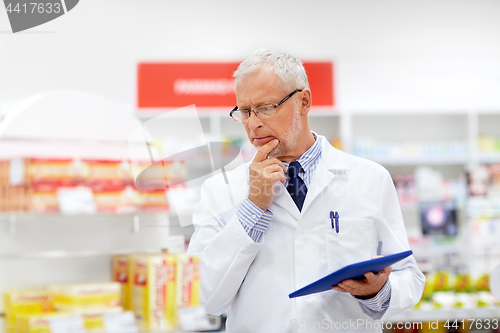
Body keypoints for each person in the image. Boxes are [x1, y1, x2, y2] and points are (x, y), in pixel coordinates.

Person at [187, 49, 425, 332]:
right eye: (245, 111)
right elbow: (202, 298)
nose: (253, 124)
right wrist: (252, 209)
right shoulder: (220, 190)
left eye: (265, 107)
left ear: (304, 101)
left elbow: (409, 278)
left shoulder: (371, 179)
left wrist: (376, 290)